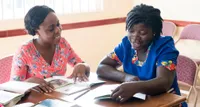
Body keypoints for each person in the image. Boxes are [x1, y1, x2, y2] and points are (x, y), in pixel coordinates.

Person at [96, 4, 187, 107]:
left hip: (167, 103)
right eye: (131, 31)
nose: (135, 37)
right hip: (137, 102)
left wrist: (136, 87)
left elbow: (164, 82)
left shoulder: (165, 48)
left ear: (154, 32)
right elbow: (102, 67)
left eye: (142, 33)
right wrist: (126, 77)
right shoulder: (126, 44)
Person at [10, 5, 90, 93]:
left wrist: (82, 66)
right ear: (37, 31)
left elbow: (82, 64)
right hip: (34, 101)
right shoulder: (25, 51)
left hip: (60, 97)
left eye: (58, 24)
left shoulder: (62, 44)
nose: (57, 30)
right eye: (51, 29)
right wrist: (29, 83)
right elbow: (13, 87)